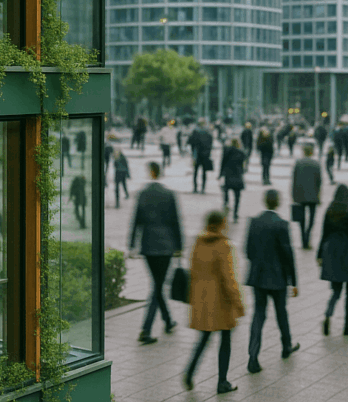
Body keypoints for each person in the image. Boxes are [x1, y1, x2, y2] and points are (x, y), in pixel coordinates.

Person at [183, 210, 244, 394]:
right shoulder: (223, 245)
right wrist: (238, 302)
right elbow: (228, 278)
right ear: (220, 225)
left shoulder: (198, 242)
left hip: (202, 299)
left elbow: (192, 270)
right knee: (225, 339)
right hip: (221, 301)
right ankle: (222, 382)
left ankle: (189, 373)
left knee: (204, 338)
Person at [245, 189, 300, 374]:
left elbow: (248, 250)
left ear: (264, 201)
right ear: (277, 202)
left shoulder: (254, 222)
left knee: (258, 315)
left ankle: (253, 356)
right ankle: (286, 346)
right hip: (278, 277)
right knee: (281, 312)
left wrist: (258, 265)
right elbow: (288, 254)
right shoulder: (282, 224)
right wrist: (293, 281)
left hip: (258, 276)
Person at [128, 162, 183, 344]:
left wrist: (132, 244)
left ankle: (168, 320)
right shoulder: (169, 194)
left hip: (148, 245)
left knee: (157, 284)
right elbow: (176, 221)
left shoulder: (142, 194)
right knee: (158, 286)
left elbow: (136, 220)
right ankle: (146, 329)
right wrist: (179, 246)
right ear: (159, 173)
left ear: (150, 172)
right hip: (166, 246)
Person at [317, 184, 348, 336]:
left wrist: (319, 255)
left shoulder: (330, 210)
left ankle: (328, 314)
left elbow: (324, 234)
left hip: (332, 254)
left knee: (336, 291)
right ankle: (347, 325)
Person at [292, 143, 322, 249]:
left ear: (303, 151)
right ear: (312, 152)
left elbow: (294, 180)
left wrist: (294, 195)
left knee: (301, 219)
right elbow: (319, 181)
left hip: (300, 195)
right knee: (312, 219)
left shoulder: (298, 163)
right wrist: (319, 195)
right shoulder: (316, 164)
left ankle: (303, 238)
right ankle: (308, 235)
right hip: (313, 195)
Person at [219, 138, 246, 222]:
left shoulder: (227, 152)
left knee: (226, 192)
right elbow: (243, 166)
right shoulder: (241, 153)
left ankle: (226, 206)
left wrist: (220, 175)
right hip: (237, 175)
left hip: (228, 175)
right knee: (237, 196)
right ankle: (235, 213)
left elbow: (222, 164)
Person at [189, 120, 213, 194]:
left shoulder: (195, 132)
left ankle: (195, 188)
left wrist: (193, 153)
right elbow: (210, 144)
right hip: (205, 155)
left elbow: (191, 142)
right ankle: (203, 188)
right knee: (204, 172)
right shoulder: (208, 133)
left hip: (197, 155)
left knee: (195, 172)